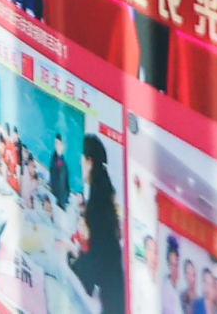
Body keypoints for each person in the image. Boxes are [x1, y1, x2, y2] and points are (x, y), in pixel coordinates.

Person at [70, 133, 126, 312]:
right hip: (113, 286)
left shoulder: (97, 201)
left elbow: (98, 255)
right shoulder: (103, 191)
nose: (80, 165)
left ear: (89, 161)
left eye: (82, 160)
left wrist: (73, 265)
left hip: (111, 294)